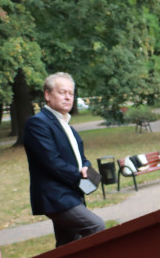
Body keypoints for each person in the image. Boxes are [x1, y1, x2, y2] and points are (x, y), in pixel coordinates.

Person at [23, 72, 105, 247]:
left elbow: (80, 158)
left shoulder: (66, 125)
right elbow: (51, 162)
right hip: (56, 197)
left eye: (71, 93)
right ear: (48, 95)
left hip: (71, 193)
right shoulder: (37, 123)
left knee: (67, 245)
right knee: (96, 226)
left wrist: (87, 170)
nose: (68, 97)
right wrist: (80, 176)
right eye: (62, 92)